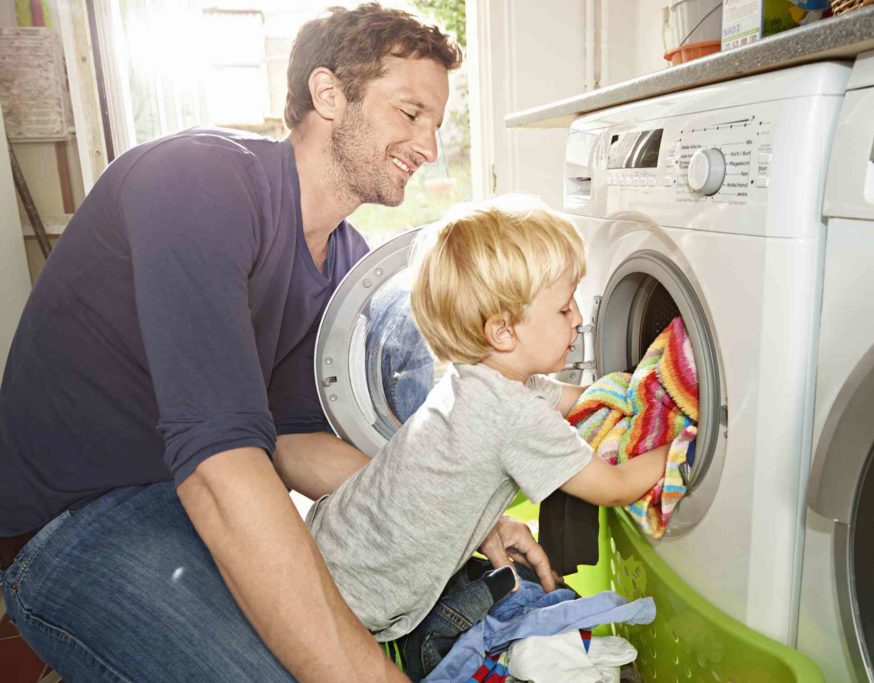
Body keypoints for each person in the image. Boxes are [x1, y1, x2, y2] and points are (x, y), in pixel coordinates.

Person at [0, 5, 553, 681]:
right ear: (328, 94)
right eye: (410, 114)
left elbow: (291, 444)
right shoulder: (199, 182)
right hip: (71, 520)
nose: (429, 146)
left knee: (402, 611)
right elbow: (219, 466)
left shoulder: (345, 260)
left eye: (436, 124)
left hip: (184, 495)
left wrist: (453, 515)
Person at [307, 197, 671, 680]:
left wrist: (642, 389)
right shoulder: (511, 415)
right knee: (506, 604)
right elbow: (616, 486)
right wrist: (682, 439)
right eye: (564, 308)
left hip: (327, 541)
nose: (580, 318)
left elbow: (575, 398)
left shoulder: (478, 380)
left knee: (505, 590)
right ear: (502, 331)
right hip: (358, 600)